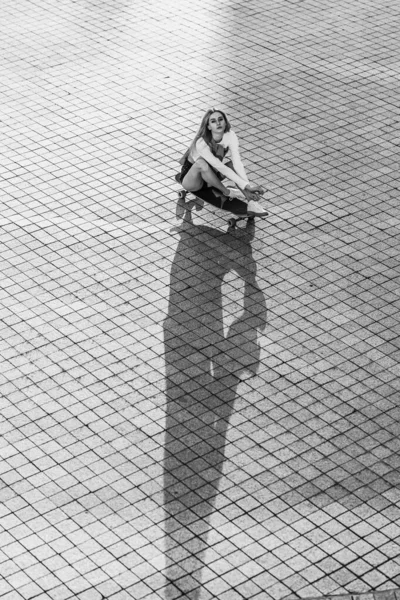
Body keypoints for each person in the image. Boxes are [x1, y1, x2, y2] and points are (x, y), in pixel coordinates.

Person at [177, 108, 268, 216]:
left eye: (220, 119)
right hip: (192, 181)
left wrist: (248, 186)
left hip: (210, 179)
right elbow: (219, 167)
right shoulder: (202, 143)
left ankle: (251, 203)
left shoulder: (229, 137)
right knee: (201, 163)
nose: (218, 123)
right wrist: (231, 190)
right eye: (213, 121)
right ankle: (228, 191)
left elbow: (237, 164)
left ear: (225, 122)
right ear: (208, 126)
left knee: (233, 165)